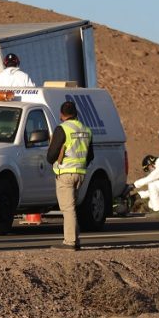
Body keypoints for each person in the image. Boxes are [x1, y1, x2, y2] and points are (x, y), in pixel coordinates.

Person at [47, 100, 94, 250]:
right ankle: (75, 239)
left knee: (68, 209)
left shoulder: (62, 129)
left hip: (65, 173)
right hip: (80, 173)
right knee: (72, 207)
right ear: (76, 114)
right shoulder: (86, 129)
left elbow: (51, 155)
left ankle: (70, 241)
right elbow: (91, 155)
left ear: (62, 115)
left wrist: (53, 159)